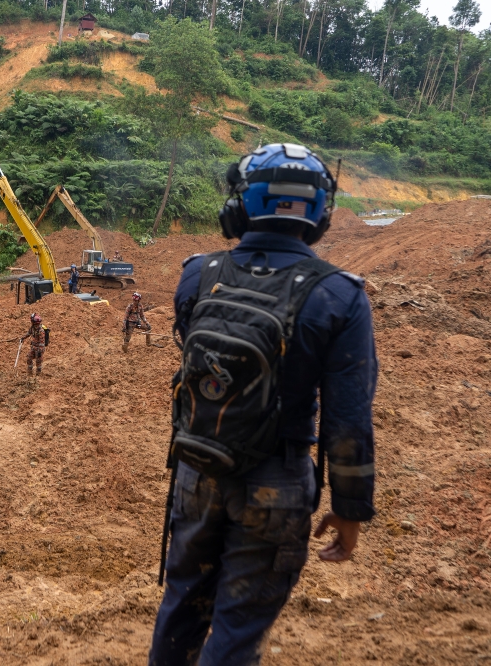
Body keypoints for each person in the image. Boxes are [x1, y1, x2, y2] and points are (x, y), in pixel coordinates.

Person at [149, 144, 377, 666]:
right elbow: (348, 417)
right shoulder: (340, 296)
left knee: (181, 607)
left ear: (241, 205)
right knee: (238, 627)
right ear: (320, 214)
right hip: (276, 482)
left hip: (197, 470)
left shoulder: (197, 273)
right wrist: (350, 509)